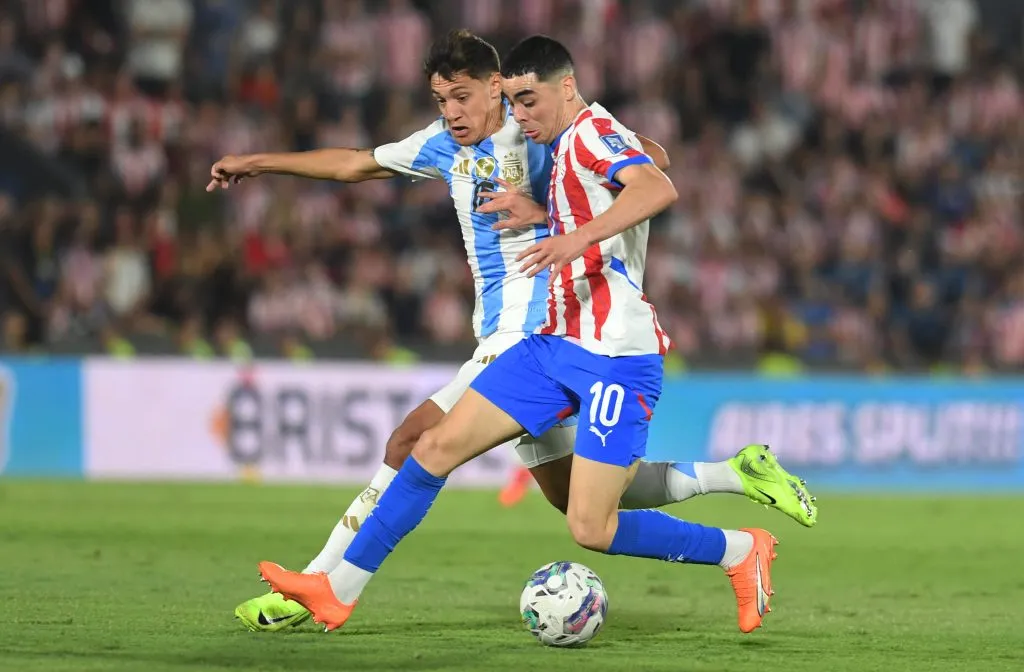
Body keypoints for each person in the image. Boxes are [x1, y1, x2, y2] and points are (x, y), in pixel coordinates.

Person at [256, 35, 817, 635]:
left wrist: (574, 237)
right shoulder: (552, 145)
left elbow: (658, 186)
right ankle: (335, 590)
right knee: (432, 447)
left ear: (566, 88)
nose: (519, 117)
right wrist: (543, 215)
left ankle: (738, 549)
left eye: (527, 102)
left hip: (614, 355)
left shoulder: (593, 133)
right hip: (550, 344)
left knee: (589, 525)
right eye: (514, 104)